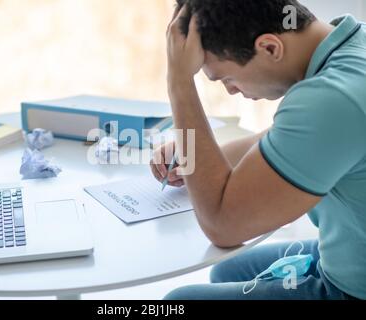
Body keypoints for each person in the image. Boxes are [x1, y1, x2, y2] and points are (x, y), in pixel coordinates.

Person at [150, 0, 366, 300]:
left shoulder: (331, 99)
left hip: (353, 288)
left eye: (226, 78)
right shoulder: (353, 47)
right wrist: (196, 156)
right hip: (349, 246)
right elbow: (294, 141)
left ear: (269, 48)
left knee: (179, 301)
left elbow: (223, 226)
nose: (231, 90)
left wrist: (178, 81)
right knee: (228, 271)